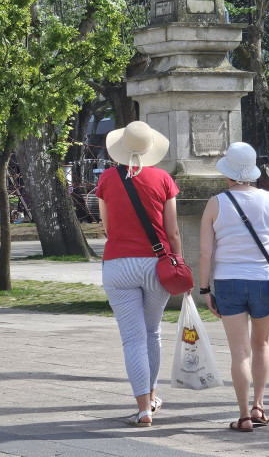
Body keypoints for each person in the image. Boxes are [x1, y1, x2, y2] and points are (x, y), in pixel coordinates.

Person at [199, 142, 269, 432]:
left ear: (228, 173)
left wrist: (205, 289)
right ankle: (260, 405)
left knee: (239, 352)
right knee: (261, 344)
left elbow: (205, 253)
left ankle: (244, 415)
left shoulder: (215, 203)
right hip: (264, 282)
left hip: (228, 282)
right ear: (252, 172)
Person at [95, 121, 181, 427]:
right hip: (156, 264)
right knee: (152, 332)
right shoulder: (164, 179)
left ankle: (144, 409)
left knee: (132, 339)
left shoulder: (106, 178)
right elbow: (171, 230)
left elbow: (106, 228)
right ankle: (153, 395)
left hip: (118, 264)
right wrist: (177, 259)